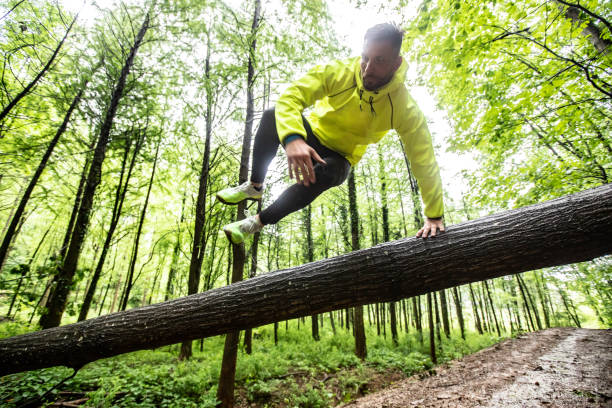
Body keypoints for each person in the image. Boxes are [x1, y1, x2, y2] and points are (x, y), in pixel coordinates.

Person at [217, 23, 444, 244]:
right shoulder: (341, 72)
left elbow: (423, 161)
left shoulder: (404, 108)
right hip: (312, 135)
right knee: (272, 115)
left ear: (396, 64)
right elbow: (293, 95)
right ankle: (254, 186)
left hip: (341, 155)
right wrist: (293, 138)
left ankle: (255, 223)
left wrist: (434, 215)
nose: (368, 68)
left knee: (332, 171)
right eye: (365, 57)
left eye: (380, 60)